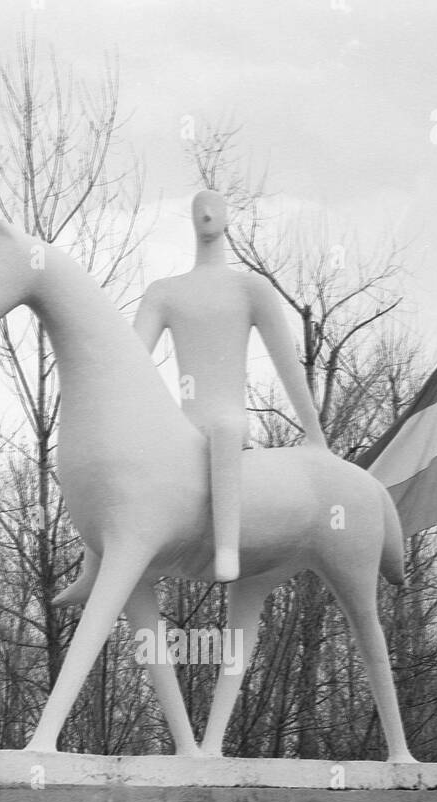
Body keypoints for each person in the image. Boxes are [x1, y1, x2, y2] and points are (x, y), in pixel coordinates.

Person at [134, 191, 327, 582]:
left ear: (226, 218)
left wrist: (314, 432)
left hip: (228, 422)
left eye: (214, 208)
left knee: (223, 426)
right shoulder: (164, 292)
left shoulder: (250, 289)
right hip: (184, 425)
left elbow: (287, 364)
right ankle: (100, 557)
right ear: (190, 219)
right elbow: (131, 361)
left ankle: (226, 547)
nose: (206, 213)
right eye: (198, 208)